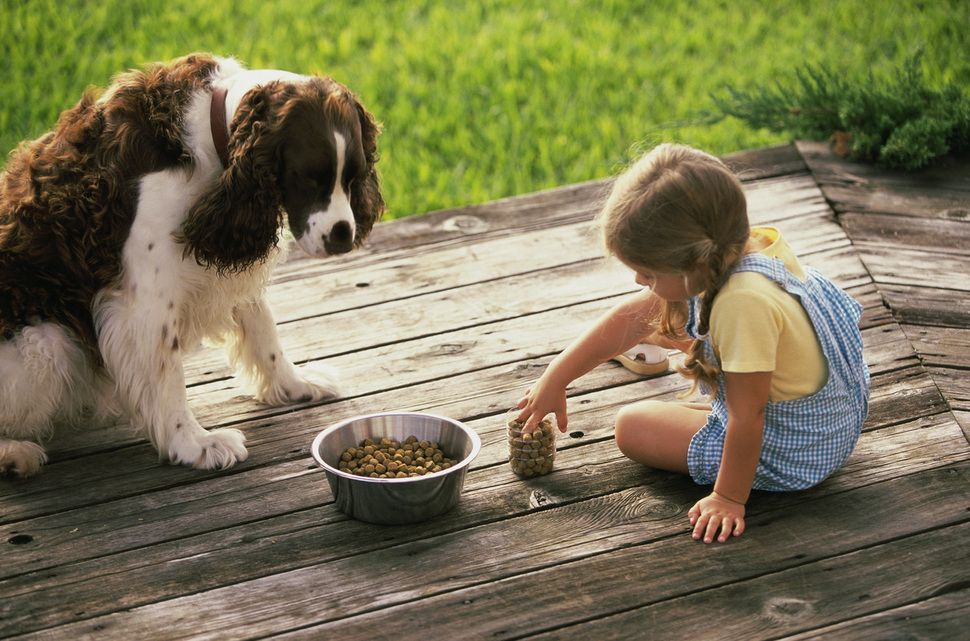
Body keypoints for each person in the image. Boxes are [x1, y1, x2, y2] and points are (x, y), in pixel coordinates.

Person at [516, 143, 869, 544]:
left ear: (696, 264)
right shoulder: (745, 245)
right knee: (656, 324)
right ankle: (707, 409)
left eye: (648, 274)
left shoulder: (741, 303)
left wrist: (728, 497)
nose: (638, 282)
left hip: (799, 451)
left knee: (631, 425)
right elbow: (630, 319)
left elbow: (748, 418)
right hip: (836, 417)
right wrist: (555, 379)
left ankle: (731, 468)